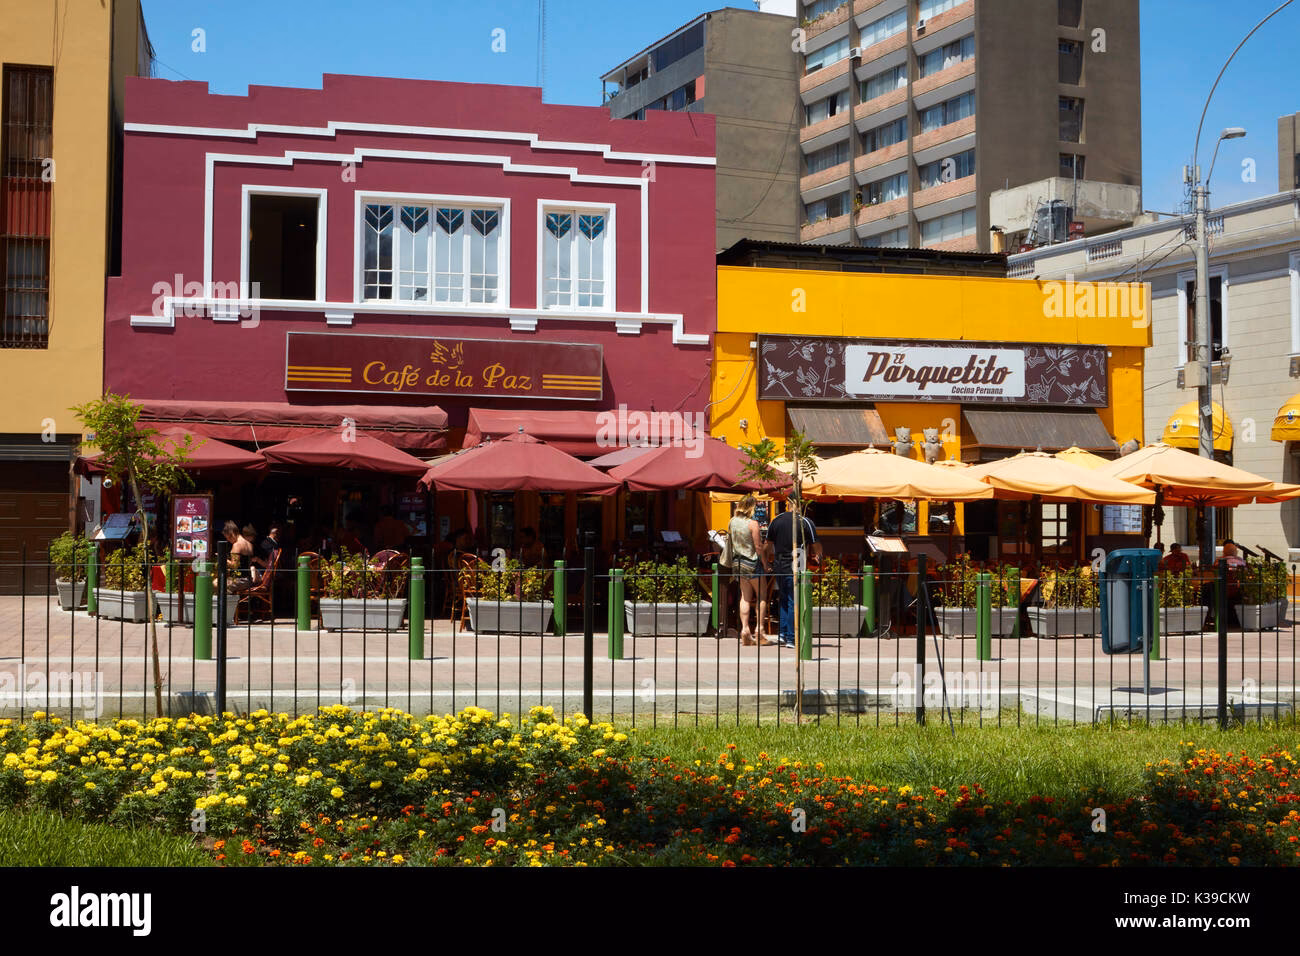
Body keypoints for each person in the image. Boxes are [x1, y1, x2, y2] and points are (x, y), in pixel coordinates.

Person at [766, 503, 822, 648]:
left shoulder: (776, 520)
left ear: (787, 504)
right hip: (796, 565)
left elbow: (767, 544)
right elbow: (816, 544)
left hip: (779, 565)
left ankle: (783, 634)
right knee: (794, 601)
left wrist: (765, 562)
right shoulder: (805, 522)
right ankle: (791, 637)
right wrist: (819, 556)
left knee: (784, 599)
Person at [728, 495, 773, 646]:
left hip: (738, 563)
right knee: (762, 595)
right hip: (752, 563)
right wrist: (765, 564)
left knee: (745, 597)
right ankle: (759, 631)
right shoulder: (753, 524)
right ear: (751, 507)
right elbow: (758, 547)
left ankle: (745, 630)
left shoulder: (732, 522)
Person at [224, 520, 255, 592]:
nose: (228, 540)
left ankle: (227, 603)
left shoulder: (237, 545)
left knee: (214, 583)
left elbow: (234, 565)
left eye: (227, 538)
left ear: (231, 533)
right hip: (248, 579)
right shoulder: (249, 544)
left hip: (240, 580)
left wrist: (222, 558)